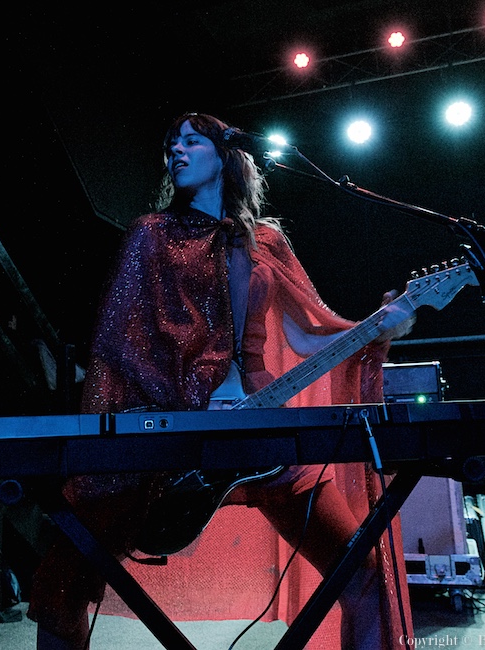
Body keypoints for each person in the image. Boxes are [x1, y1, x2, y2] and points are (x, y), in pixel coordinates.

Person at [27, 112, 416, 649]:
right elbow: (120, 347)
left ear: (226, 155)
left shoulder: (266, 242)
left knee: (362, 572)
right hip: (175, 440)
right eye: (172, 144)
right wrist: (187, 403)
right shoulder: (150, 235)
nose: (177, 151)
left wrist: (380, 327)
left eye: (192, 141)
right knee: (63, 586)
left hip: (263, 433)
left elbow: (308, 337)